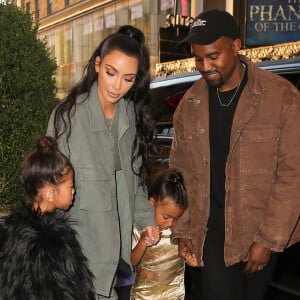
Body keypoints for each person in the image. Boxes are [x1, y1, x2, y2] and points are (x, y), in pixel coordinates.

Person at [170, 9, 300, 300]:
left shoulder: (281, 97)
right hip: (210, 232)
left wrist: (267, 241)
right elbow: (181, 173)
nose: (204, 66)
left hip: (260, 228)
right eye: (198, 58)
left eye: (213, 56)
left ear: (236, 46)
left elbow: (293, 175)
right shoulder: (189, 105)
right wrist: (183, 230)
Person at [47, 25, 156, 299]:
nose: (117, 86)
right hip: (80, 255)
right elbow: (47, 186)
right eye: (111, 73)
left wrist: (146, 219)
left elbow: (135, 177)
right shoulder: (68, 117)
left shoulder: (130, 114)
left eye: (128, 78)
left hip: (119, 257)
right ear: (97, 64)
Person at [0, 135, 95, 300]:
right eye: (70, 185)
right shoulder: (50, 243)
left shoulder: (12, 232)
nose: (74, 190)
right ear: (50, 193)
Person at [130, 168, 196, 299]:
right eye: (166, 217)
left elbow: (190, 253)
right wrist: (143, 242)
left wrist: (191, 259)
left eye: (176, 218)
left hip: (174, 294)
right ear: (152, 202)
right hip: (143, 296)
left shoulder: (180, 234)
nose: (171, 223)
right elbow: (132, 261)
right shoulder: (142, 229)